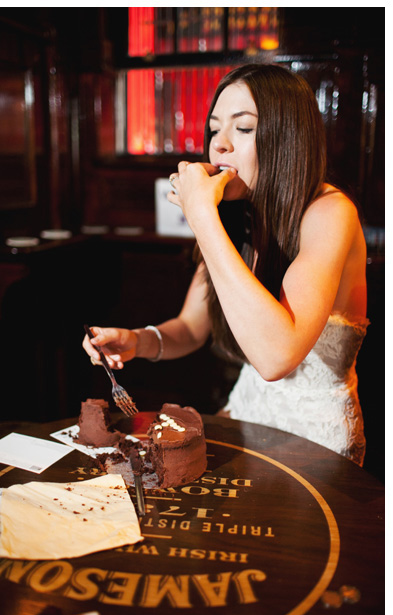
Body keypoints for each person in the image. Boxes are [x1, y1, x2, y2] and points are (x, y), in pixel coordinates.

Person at [82, 64, 368, 465]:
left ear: (288, 139)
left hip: (316, 442)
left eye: (244, 128)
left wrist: (201, 216)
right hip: (247, 418)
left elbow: (275, 358)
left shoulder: (330, 212)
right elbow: (190, 328)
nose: (220, 146)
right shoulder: (237, 216)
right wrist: (136, 341)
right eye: (215, 129)